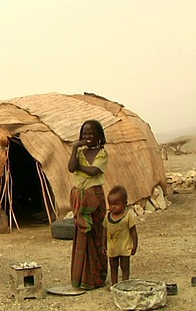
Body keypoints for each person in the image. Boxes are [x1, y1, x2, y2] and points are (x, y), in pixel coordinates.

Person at [68, 120, 109, 290]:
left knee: (96, 235)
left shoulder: (102, 153)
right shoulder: (80, 153)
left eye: (91, 133)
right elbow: (71, 168)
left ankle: (96, 278)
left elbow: (94, 171)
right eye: (85, 133)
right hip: (80, 197)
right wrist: (74, 149)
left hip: (94, 198)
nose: (87, 136)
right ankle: (81, 278)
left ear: (99, 135)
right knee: (82, 237)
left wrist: (79, 166)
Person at [102, 186, 138, 285]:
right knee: (113, 266)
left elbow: (133, 232)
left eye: (116, 204)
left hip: (124, 247)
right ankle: (115, 285)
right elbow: (104, 231)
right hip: (113, 248)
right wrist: (103, 245)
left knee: (125, 265)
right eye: (110, 204)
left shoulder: (128, 216)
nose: (112, 207)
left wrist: (135, 245)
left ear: (125, 204)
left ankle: (125, 284)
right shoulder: (107, 217)